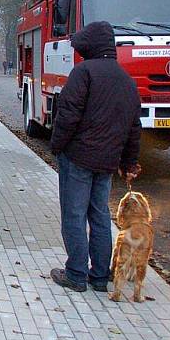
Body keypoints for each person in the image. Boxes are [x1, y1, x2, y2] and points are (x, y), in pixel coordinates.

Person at [49, 21, 142, 293]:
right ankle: (100, 276)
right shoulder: (126, 80)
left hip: (78, 157)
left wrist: (57, 145)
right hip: (107, 162)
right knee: (100, 215)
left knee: (74, 214)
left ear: (90, 46)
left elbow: (67, 115)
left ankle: (76, 274)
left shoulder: (83, 73)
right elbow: (133, 126)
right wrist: (128, 162)